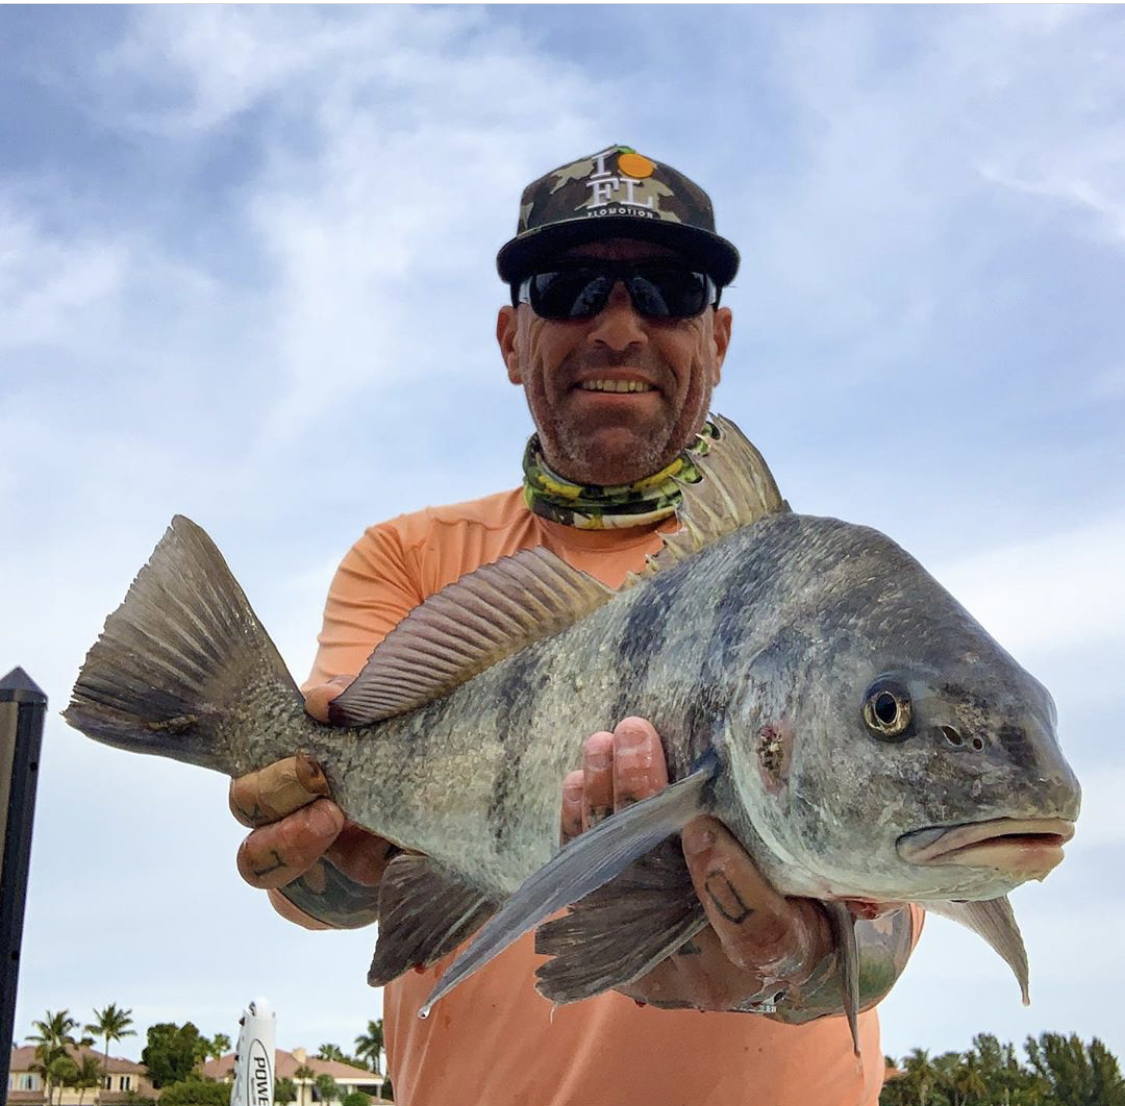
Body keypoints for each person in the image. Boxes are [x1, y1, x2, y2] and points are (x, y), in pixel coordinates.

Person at [227, 145, 922, 1106]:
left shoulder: (815, 603)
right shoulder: (406, 561)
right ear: (512, 338)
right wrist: (325, 840)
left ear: (717, 338)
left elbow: (901, 890)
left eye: (667, 289)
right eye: (570, 287)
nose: (619, 326)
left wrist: (807, 963)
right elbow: (326, 880)